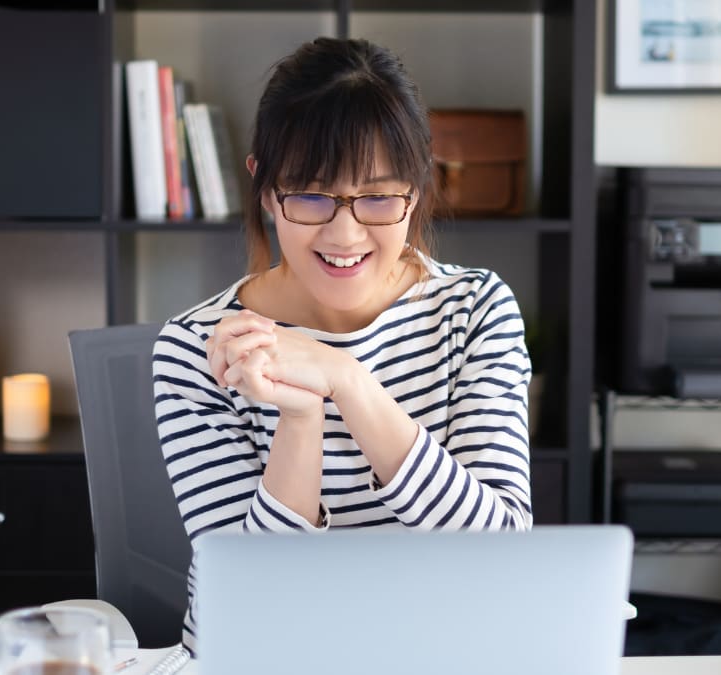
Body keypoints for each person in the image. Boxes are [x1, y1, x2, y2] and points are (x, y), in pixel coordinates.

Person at [152, 36, 533, 652]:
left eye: (379, 197)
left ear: (417, 187)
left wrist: (346, 379)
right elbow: (254, 600)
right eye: (310, 194)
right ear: (265, 186)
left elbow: (500, 548)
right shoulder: (200, 348)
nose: (345, 232)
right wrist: (299, 419)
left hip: (439, 655)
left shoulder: (475, 311)